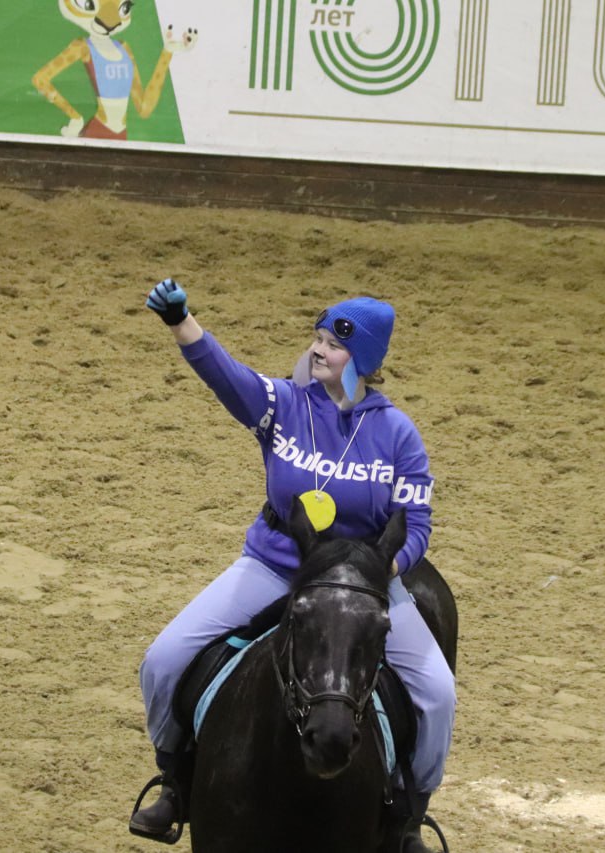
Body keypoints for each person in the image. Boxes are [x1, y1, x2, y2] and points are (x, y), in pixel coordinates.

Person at [130, 279, 456, 852]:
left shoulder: (398, 434)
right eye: (317, 339)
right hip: (275, 565)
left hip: (360, 584)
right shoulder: (282, 405)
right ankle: (176, 783)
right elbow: (224, 376)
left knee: (437, 692)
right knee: (163, 659)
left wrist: (385, 570)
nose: (318, 350)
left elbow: (418, 524)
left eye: (333, 344)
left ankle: (407, 818)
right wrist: (182, 323)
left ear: (366, 359)